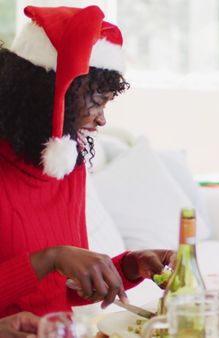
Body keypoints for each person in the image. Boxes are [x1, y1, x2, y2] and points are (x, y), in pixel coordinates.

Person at [0, 6, 173, 317]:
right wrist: (49, 258)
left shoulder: (68, 166)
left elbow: (63, 290)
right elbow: (50, 264)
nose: (102, 119)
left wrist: (130, 267)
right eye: (96, 101)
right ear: (49, 93)